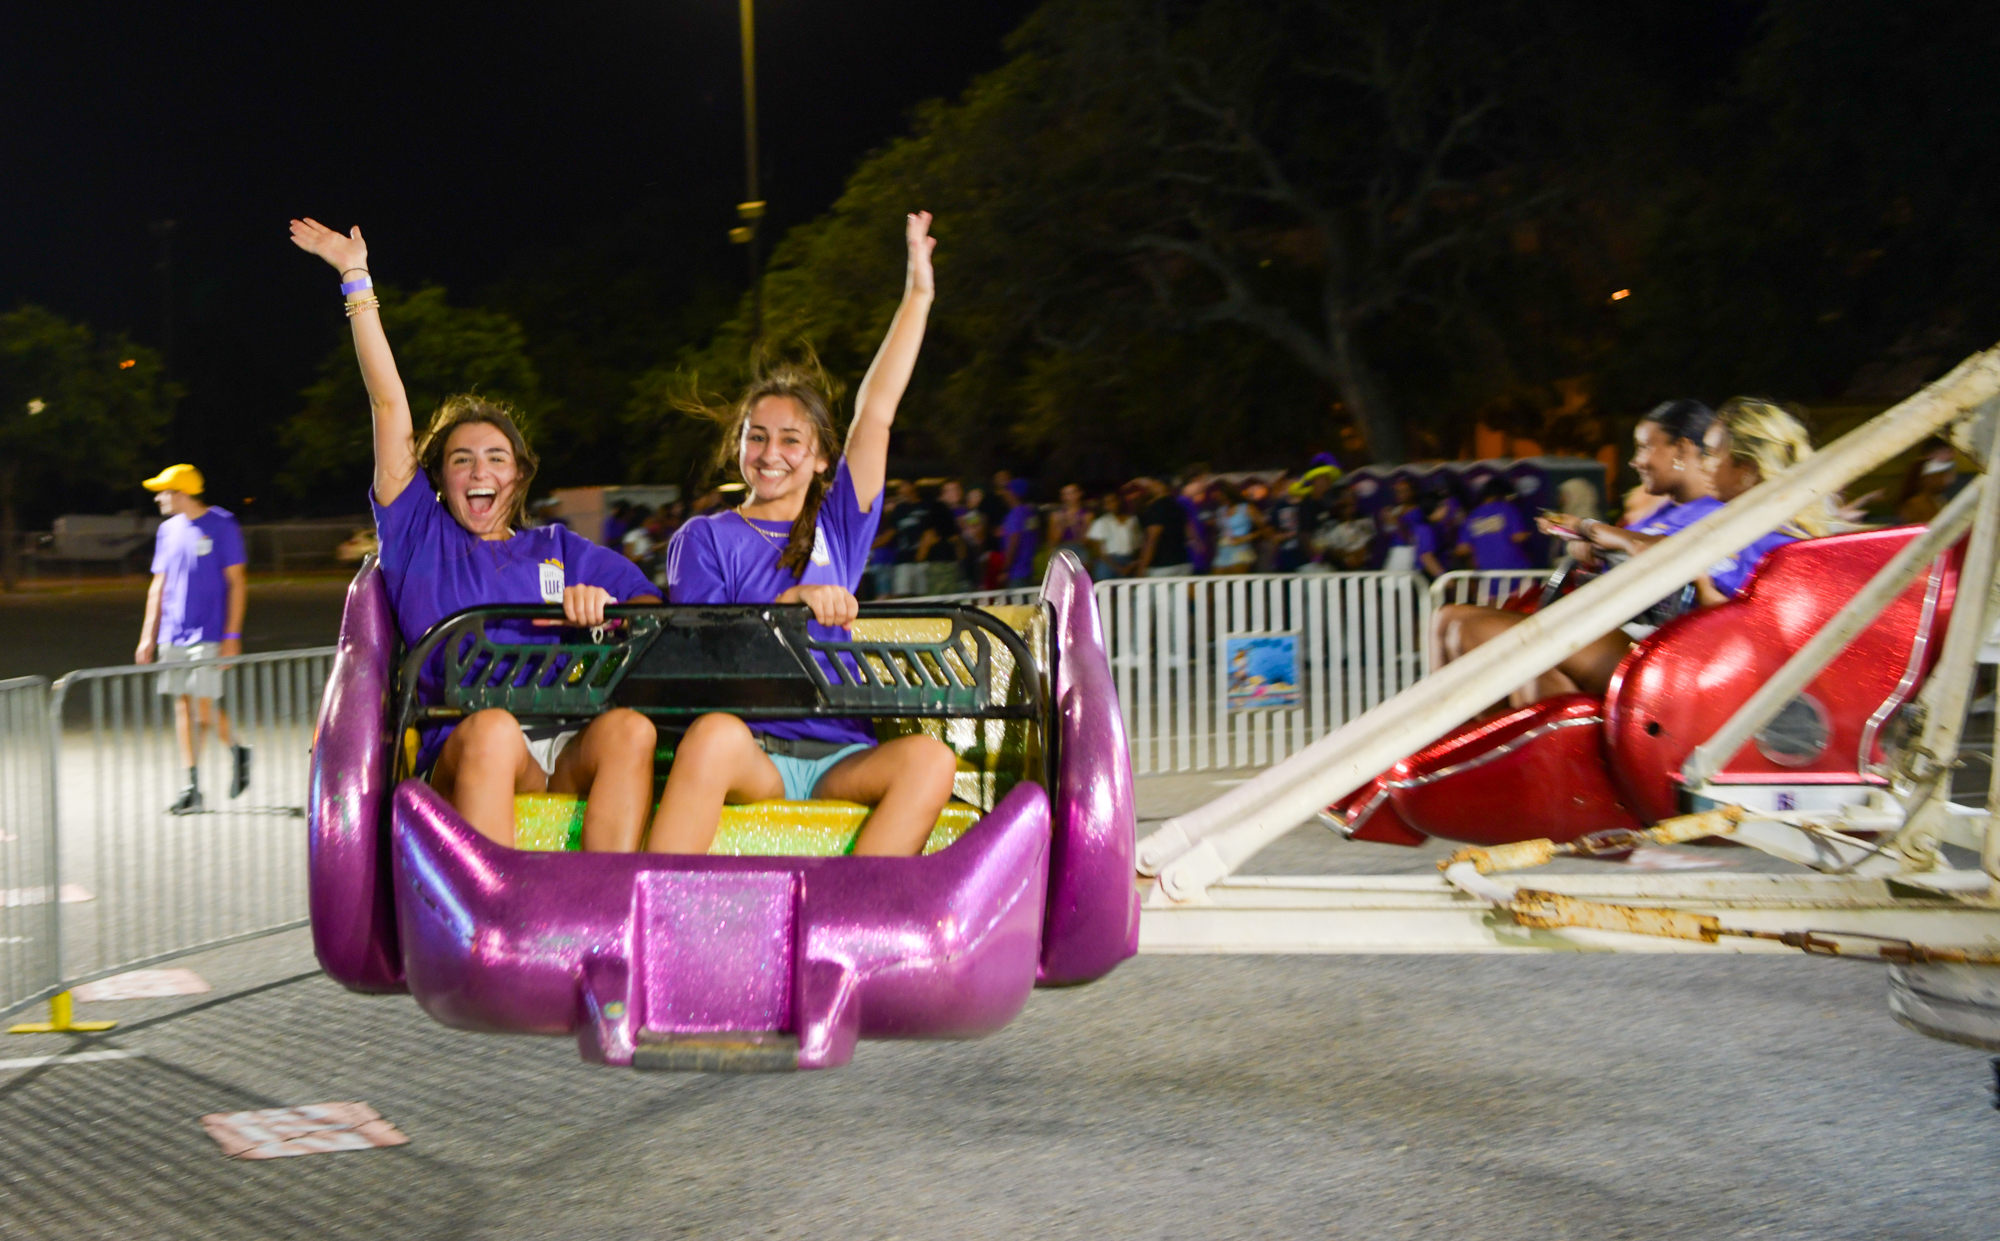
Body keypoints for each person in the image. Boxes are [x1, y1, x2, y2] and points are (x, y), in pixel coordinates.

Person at [290, 217, 662, 852]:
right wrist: (356, 278)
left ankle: (604, 918)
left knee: (631, 731)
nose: (479, 470)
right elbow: (388, 407)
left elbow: (653, 611)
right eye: (462, 459)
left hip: (561, 741)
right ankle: (499, 929)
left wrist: (609, 611)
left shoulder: (561, 549)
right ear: (439, 477)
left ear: (518, 475)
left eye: (495, 457)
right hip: (471, 745)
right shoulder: (419, 534)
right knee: (492, 729)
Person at [649, 212, 958, 857]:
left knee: (930, 761)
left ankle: (849, 928)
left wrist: (919, 296)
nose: (770, 453)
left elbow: (877, 410)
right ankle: (651, 919)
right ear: (738, 447)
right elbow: (703, 653)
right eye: (756, 437)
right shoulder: (704, 537)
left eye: (792, 440)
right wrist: (786, 608)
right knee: (710, 737)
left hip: (837, 752)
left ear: (821, 457)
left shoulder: (839, 525)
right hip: (751, 751)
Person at [1432, 399, 1722, 707]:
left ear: (1681, 449)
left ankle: (1536, 745)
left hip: (1654, 642)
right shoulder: (1659, 512)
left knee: (1490, 636)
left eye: (1645, 448)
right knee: (1448, 617)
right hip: (1611, 623)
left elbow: (1659, 551)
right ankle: (1453, 738)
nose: (1635, 461)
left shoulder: (1719, 511)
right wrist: (1594, 550)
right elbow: (1627, 548)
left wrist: (1589, 528)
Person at [135, 463, 250, 815]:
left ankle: (237, 751)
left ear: (182, 493)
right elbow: (158, 586)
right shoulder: (167, 531)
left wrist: (232, 635)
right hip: (173, 632)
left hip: (210, 633)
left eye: (163, 491)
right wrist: (147, 637)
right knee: (183, 706)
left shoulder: (222, 525)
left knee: (202, 706)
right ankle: (192, 786)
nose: (158, 498)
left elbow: (237, 583)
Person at [1460, 478, 1535, 571]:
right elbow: (1518, 536)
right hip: (1514, 570)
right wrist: (1532, 533)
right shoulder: (1508, 509)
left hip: (1486, 573)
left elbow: (1462, 548)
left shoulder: (1473, 515)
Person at [1135, 478, 1194, 576]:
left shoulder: (1155, 508)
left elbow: (1152, 539)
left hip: (1161, 566)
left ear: (1160, 486)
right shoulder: (1178, 506)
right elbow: (1189, 532)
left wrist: (1142, 566)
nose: (1148, 487)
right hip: (1183, 562)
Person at [1211, 480, 1265, 574]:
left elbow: (1264, 529)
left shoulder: (1247, 508)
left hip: (1241, 550)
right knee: (1216, 582)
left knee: (1237, 580)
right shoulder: (1220, 511)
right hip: (1223, 550)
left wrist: (1244, 538)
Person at [1086, 489, 1142, 579]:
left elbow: (1137, 544)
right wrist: (1118, 568)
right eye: (1107, 503)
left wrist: (1133, 564)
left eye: (1114, 501)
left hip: (1128, 559)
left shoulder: (1132, 520)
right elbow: (1099, 551)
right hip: (1108, 563)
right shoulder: (1101, 522)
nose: (1112, 504)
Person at [998, 479, 1039, 588]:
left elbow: (1014, 542)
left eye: (1006, 491)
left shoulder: (1015, 514)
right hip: (1029, 568)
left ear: (1013, 493)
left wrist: (1005, 569)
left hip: (1016, 572)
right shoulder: (1030, 513)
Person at [1047, 483, 1092, 569]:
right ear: (1062, 497)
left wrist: (1077, 525)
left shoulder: (1086, 515)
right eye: (1066, 494)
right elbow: (1052, 541)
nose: (1070, 497)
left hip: (1079, 548)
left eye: (1073, 493)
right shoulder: (1056, 515)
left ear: (1079, 494)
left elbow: (1086, 541)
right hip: (1061, 548)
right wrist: (1063, 523)